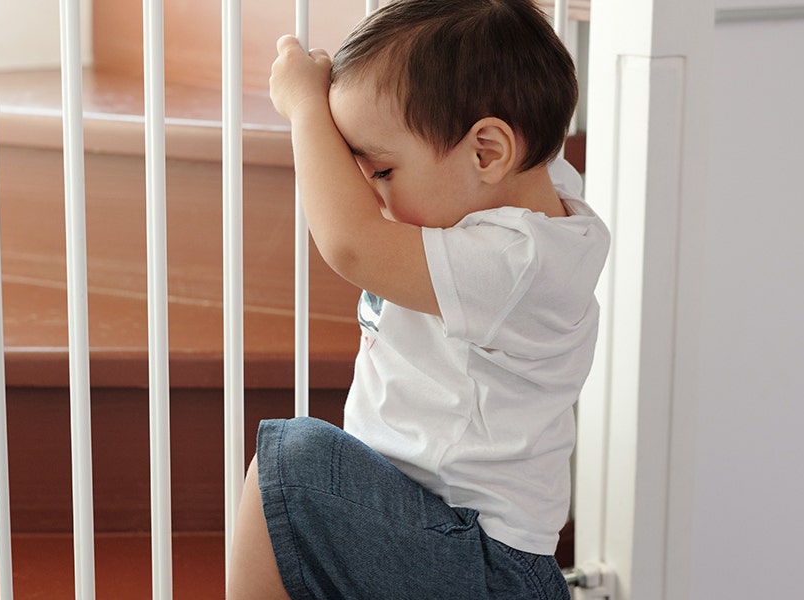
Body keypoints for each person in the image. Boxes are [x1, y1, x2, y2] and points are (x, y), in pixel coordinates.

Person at [227, 0, 609, 598]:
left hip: (480, 560)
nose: (371, 197)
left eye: (380, 172)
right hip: (427, 526)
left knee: (291, 465)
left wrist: (305, 109)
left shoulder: (518, 262)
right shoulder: (524, 188)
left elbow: (351, 245)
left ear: (488, 152)